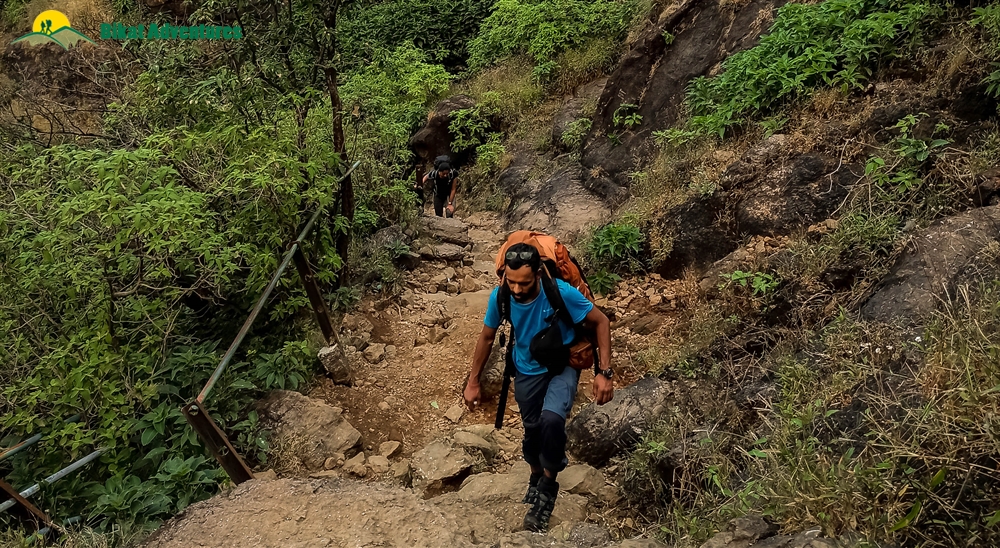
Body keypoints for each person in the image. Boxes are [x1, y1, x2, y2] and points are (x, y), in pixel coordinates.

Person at [463, 243, 614, 532]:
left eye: (525, 283)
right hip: (525, 367)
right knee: (532, 429)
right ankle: (535, 474)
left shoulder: (560, 292)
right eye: (512, 282)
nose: (518, 290)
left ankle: (547, 485)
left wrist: (604, 372)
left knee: (552, 420)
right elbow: (486, 338)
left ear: (538, 274)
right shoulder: (501, 296)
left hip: (562, 364)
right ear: (504, 276)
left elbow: (601, 321)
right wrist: (473, 381)